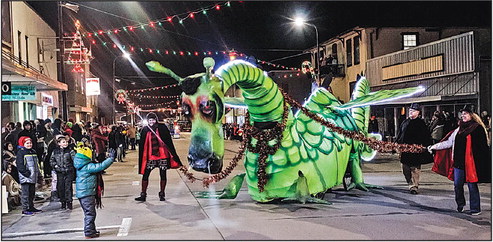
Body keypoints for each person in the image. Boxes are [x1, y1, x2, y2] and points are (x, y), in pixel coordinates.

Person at [428, 106, 491, 215]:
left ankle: (475, 208)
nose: (463, 116)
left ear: (471, 115)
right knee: (457, 185)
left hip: (471, 163)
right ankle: (460, 204)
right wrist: (434, 146)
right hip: (458, 163)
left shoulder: (477, 128)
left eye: (465, 114)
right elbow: (448, 143)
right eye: (462, 114)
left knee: (472, 185)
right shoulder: (458, 129)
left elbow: (482, 148)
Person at [135, 112, 182, 202]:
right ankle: (143, 194)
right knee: (146, 174)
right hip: (150, 157)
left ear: (156, 120)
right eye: (149, 120)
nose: (151, 122)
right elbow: (142, 143)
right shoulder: (145, 129)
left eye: (152, 120)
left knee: (163, 175)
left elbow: (168, 141)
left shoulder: (162, 127)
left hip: (162, 156)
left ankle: (162, 193)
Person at [74, 145, 115, 239]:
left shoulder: (80, 165)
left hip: (83, 194)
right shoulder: (87, 166)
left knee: (88, 213)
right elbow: (100, 166)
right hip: (87, 194)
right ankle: (89, 232)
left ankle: (92, 230)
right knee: (90, 213)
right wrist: (110, 159)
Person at [395, 103, 433, 194]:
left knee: (415, 169)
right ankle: (410, 182)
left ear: (418, 112)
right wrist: (396, 144)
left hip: (416, 150)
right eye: (410, 110)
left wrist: (426, 147)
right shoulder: (405, 122)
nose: (411, 112)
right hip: (404, 150)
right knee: (405, 168)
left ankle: (414, 186)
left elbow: (426, 136)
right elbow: (400, 134)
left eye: (413, 111)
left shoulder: (421, 123)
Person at [16, 136, 42, 215]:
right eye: (27, 143)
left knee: (32, 193)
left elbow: (37, 164)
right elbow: (20, 165)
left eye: (30, 143)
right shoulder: (21, 152)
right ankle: (25, 208)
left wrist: (39, 174)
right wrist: (26, 173)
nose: (29, 144)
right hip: (26, 177)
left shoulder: (33, 151)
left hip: (33, 176)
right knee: (25, 194)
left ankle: (31, 206)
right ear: (23, 144)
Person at [50, 135, 76, 210]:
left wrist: (71, 167)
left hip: (68, 171)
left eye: (66, 142)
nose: (66, 143)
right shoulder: (55, 152)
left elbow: (74, 160)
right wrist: (55, 166)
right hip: (59, 172)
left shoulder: (70, 151)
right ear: (59, 143)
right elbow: (52, 160)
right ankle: (63, 202)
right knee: (61, 187)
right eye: (63, 142)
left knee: (68, 187)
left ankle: (69, 202)